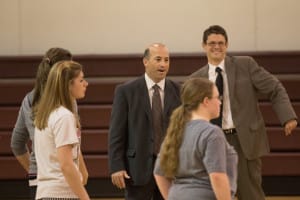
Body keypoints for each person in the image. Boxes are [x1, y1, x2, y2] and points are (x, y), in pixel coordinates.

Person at [190, 25, 298, 200]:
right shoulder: (195, 79)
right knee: (212, 194)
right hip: (210, 143)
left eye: (221, 43)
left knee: (250, 195)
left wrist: (287, 117)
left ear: (227, 45)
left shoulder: (245, 65)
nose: (216, 47)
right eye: (212, 43)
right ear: (203, 45)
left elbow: (275, 88)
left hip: (242, 142)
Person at [10, 48, 87, 199]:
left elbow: (16, 144)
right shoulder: (63, 111)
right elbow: (66, 159)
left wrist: (41, 171)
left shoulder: (38, 105)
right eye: (79, 78)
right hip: (60, 183)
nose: (84, 82)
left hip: (44, 183)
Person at [108, 43, 181, 200]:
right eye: (158, 59)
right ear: (145, 62)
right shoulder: (126, 91)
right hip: (136, 170)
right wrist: (116, 167)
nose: (163, 64)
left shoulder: (179, 90)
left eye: (167, 60)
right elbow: (116, 133)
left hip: (171, 170)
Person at [154, 77, 238, 200]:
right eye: (217, 97)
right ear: (206, 101)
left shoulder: (175, 131)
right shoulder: (212, 133)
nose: (220, 102)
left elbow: (159, 173)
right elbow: (217, 176)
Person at [34, 60, 90, 200]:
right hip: (62, 193)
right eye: (81, 80)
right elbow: (66, 165)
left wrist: (82, 171)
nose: (86, 84)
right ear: (68, 85)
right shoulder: (64, 117)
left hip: (45, 192)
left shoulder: (47, 114)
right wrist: (84, 197)